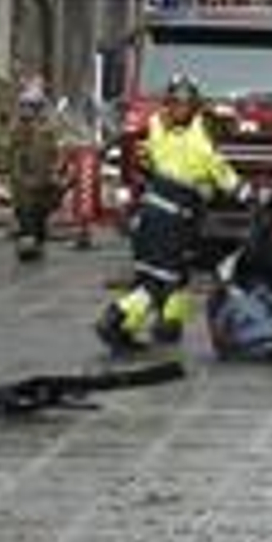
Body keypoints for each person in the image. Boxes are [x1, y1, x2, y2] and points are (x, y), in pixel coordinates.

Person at [96, 74, 243, 351]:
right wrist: (254, 196)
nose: (181, 109)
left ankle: (168, 326)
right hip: (171, 222)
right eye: (178, 104)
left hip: (153, 216)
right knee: (157, 284)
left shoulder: (157, 126)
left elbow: (147, 144)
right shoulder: (202, 144)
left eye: (183, 104)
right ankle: (114, 321)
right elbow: (226, 177)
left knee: (173, 275)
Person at [5, 82, 68, 261]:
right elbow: (9, 147)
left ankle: (37, 241)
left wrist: (58, 170)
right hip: (22, 177)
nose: (28, 110)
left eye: (31, 106)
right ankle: (27, 243)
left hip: (44, 176)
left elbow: (58, 149)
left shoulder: (50, 126)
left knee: (40, 211)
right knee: (24, 210)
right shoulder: (17, 126)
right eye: (25, 106)